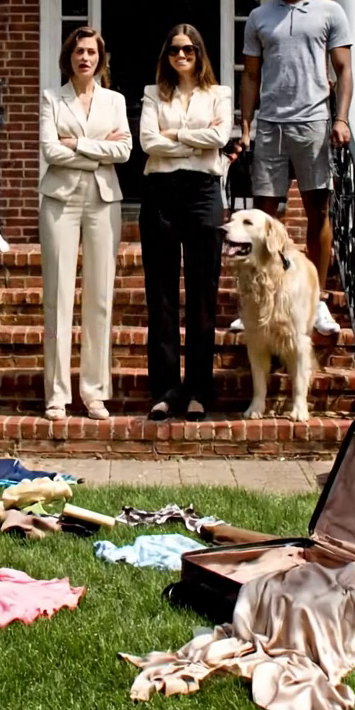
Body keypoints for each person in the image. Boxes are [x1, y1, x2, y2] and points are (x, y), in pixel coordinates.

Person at [236, 0, 353, 337]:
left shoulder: (329, 12)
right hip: (270, 124)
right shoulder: (259, 17)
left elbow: (344, 71)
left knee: (318, 209)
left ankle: (317, 301)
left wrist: (341, 119)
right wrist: (246, 126)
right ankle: (258, 299)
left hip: (313, 123)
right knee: (263, 218)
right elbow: (250, 75)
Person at [139, 24, 233, 421]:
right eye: (176, 50)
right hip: (161, 193)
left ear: (200, 54)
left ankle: (197, 391)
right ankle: (164, 390)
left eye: (190, 50)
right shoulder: (151, 94)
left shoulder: (220, 94)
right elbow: (147, 141)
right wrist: (196, 137)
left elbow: (221, 136)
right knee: (160, 296)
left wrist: (174, 133)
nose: (182, 56)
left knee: (202, 296)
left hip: (203, 193)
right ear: (167, 55)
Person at [39, 26, 132, 420]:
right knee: (58, 296)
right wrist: (98, 152)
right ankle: (57, 395)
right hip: (60, 200)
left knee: (98, 297)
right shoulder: (51, 98)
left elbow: (125, 149)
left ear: (100, 58)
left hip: (103, 201)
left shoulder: (115, 100)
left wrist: (76, 144)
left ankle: (94, 392)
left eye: (92, 52)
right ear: (69, 57)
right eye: (79, 51)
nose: (85, 58)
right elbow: (49, 150)